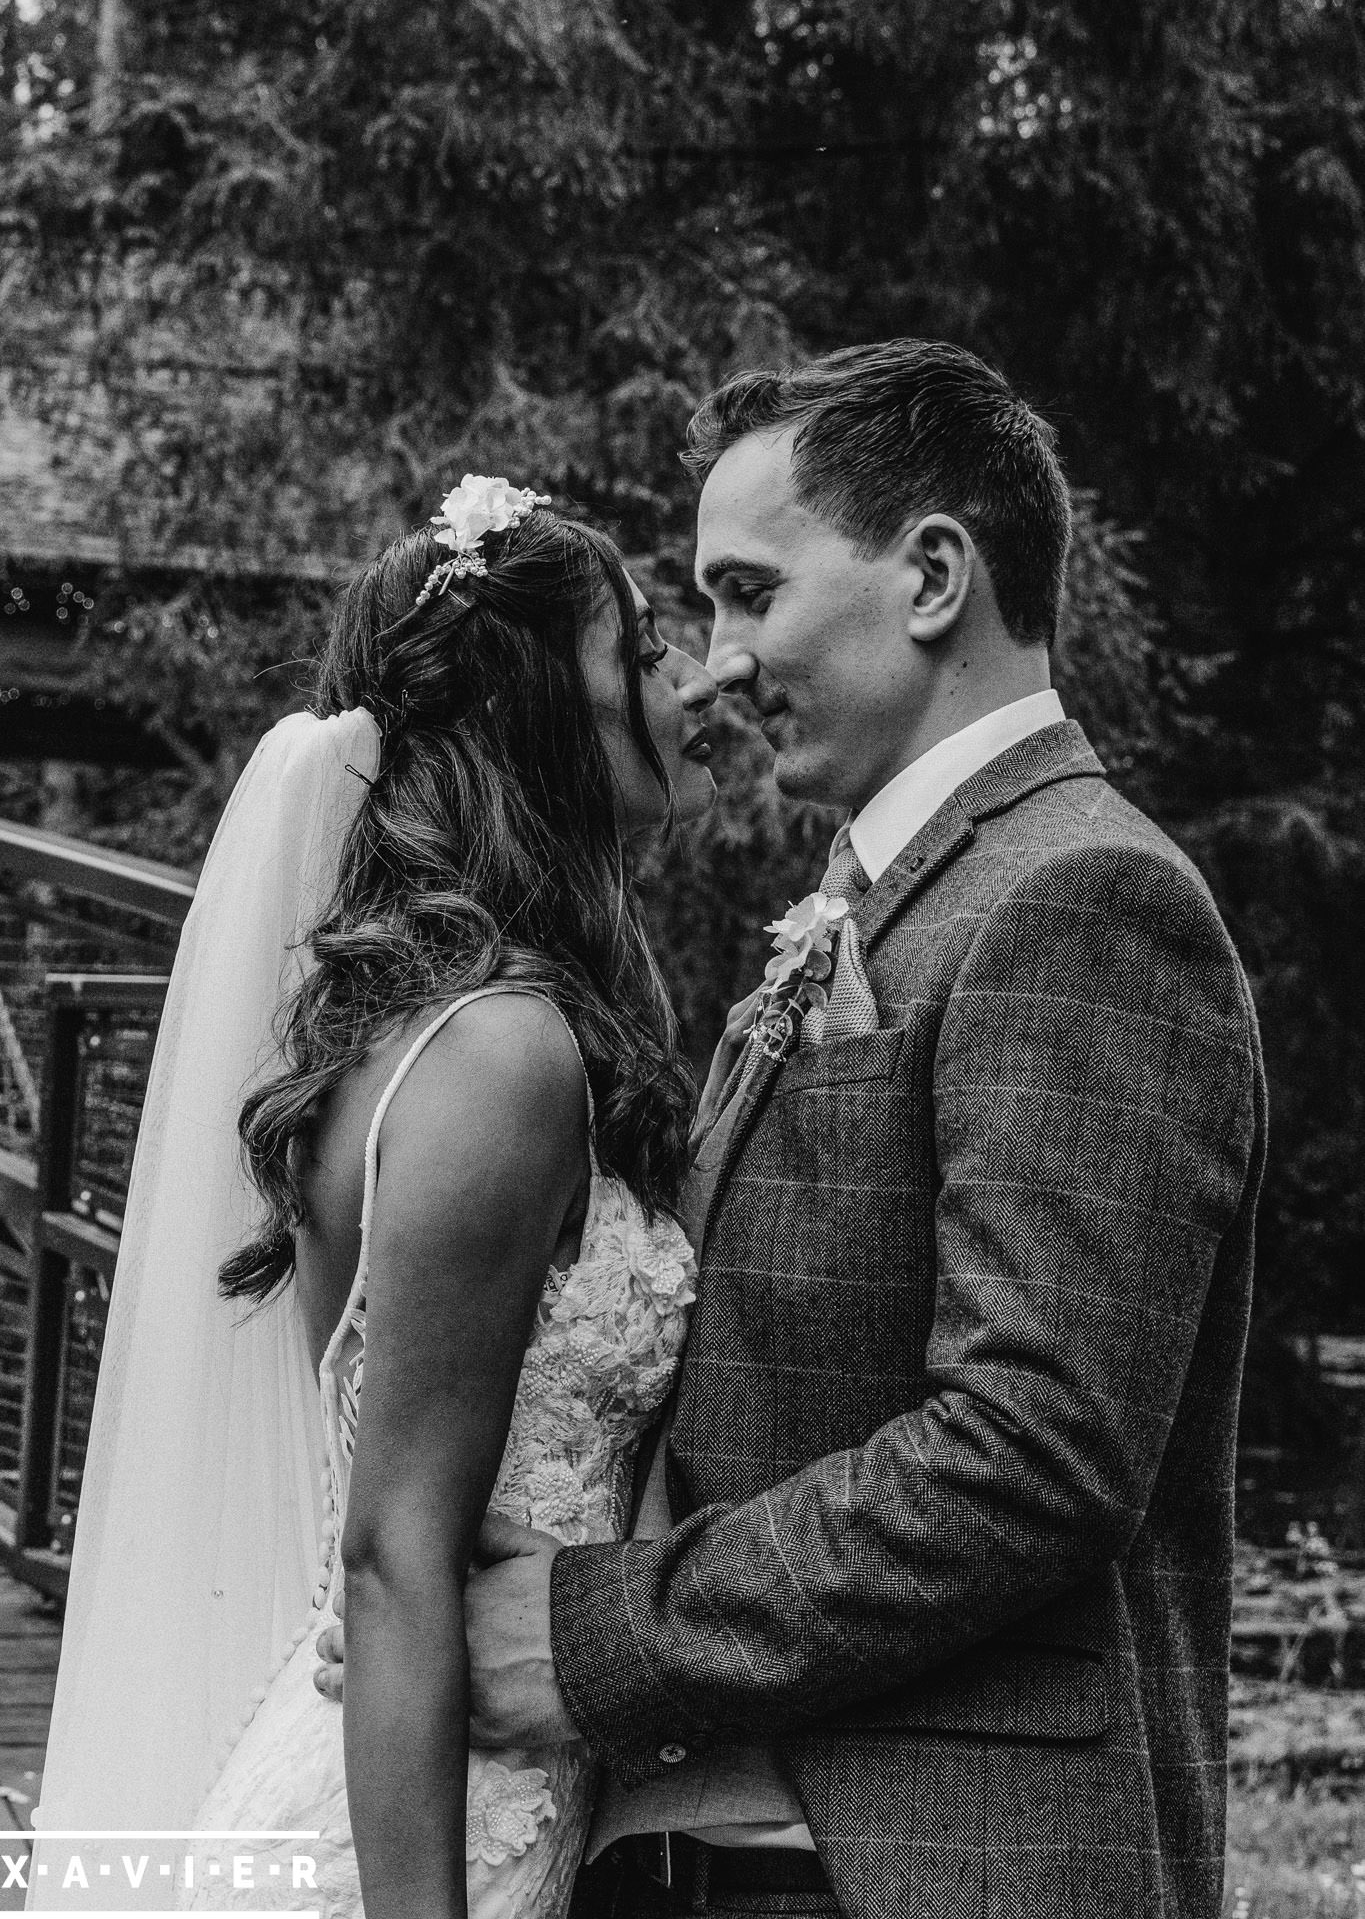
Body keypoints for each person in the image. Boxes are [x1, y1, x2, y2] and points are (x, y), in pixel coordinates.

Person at [318, 343, 1267, 1919]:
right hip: (730, 1848)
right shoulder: (893, 899)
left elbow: (1032, 1452)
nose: (715, 662)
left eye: (748, 592)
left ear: (933, 576)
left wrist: (597, 1637)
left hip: (923, 1864)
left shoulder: (1082, 900)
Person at [28, 479, 718, 1919]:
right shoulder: (500, 1054)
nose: (689, 679)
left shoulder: (425, 1031)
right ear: (539, 713)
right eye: (643, 651)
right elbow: (395, 1553)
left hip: (465, 1773)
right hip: (419, 1830)